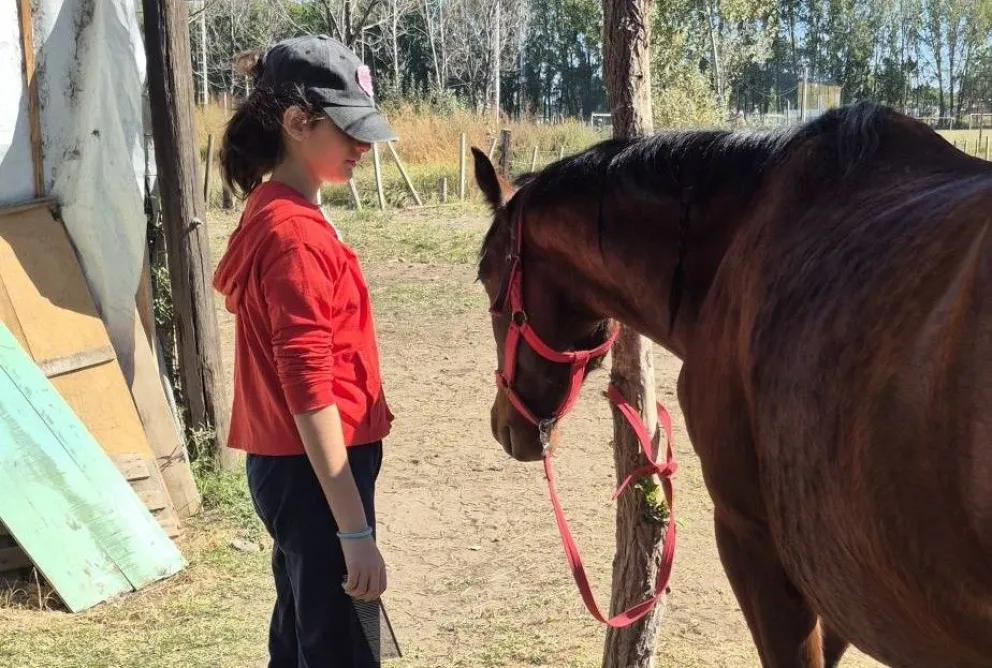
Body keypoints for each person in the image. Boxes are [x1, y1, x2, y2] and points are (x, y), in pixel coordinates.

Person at [212, 34, 397, 668]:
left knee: (302, 629)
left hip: (300, 470)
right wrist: (354, 531)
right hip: (319, 471)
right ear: (297, 123)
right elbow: (309, 387)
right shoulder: (293, 235)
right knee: (342, 646)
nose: (363, 148)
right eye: (348, 131)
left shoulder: (276, 210)